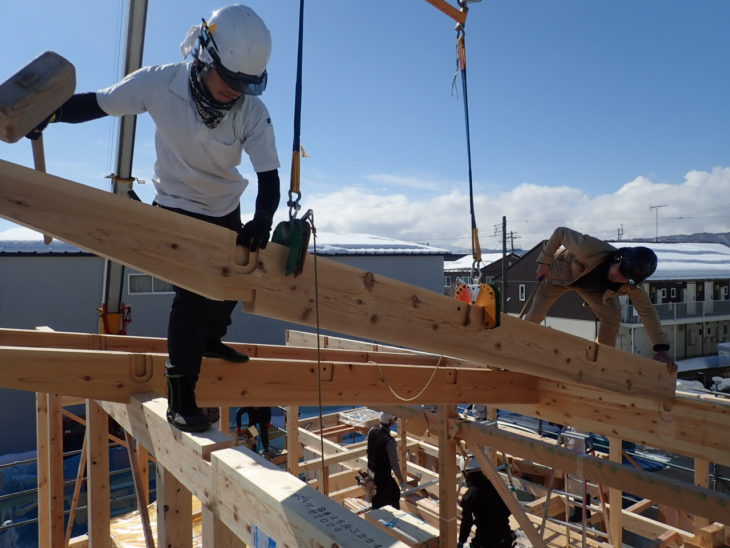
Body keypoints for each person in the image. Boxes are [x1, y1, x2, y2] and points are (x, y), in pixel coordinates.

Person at [28, 4, 281, 433]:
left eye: (245, 84)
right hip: (175, 209)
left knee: (232, 287)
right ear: (204, 55)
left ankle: (212, 342)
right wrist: (47, 113)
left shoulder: (251, 112)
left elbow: (269, 176)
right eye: (229, 79)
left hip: (223, 209)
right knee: (195, 297)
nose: (235, 91)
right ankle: (181, 398)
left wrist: (263, 220)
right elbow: (97, 104)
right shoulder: (160, 82)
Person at [524, 227, 677, 374]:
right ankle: (521, 343)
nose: (620, 278)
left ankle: (601, 362)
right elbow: (560, 232)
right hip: (561, 275)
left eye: (626, 279)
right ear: (617, 259)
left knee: (612, 318)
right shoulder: (589, 248)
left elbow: (647, 312)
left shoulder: (631, 284)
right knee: (536, 314)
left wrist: (661, 349)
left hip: (596, 290)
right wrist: (544, 262)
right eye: (620, 272)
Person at [458, 457, 515, 548]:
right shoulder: (496, 485)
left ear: (466, 472)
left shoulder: (470, 496)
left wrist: (461, 541)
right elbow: (508, 510)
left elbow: (466, 522)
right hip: (505, 537)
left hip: (486, 541)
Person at [366, 412, 406, 509]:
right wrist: (401, 480)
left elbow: (367, 450)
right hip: (382, 475)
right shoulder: (389, 441)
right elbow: (394, 464)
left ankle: (396, 512)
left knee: (395, 492)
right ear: (390, 422)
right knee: (382, 502)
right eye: (394, 420)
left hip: (371, 470)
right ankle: (378, 520)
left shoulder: (372, 430)